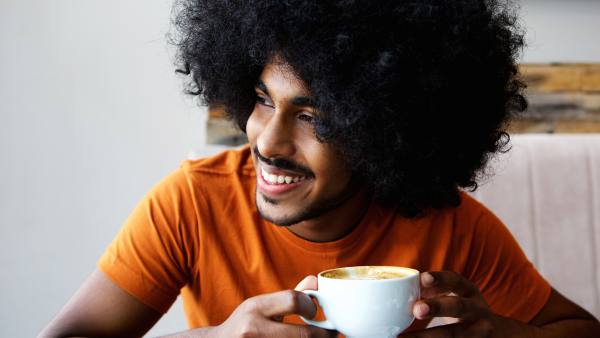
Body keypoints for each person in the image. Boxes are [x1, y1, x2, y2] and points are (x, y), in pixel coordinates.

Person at [40, 0, 600, 337]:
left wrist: (498, 333)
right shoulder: (191, 203)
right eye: (263, 100)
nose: (268, 140)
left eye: (313, 117)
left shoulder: (451, 226)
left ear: (388, 128)